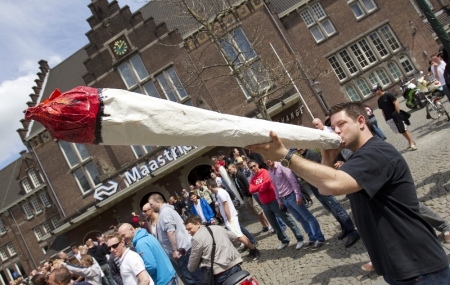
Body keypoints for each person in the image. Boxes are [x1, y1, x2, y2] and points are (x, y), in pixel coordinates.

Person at [247, 102, 449, 283]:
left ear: (361, 121)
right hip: (395, 265)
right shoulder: (356, 158)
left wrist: (285, 155)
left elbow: (333, 184)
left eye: (341, 124)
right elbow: (325, 189)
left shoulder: (376, 153)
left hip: (419, 267)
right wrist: (327, 157)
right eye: (333, 127)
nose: (335, 131)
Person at [296, 149, 360, 248]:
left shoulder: (311, 154)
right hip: (316, 188)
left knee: (337, 208)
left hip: (322, 186)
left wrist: (302, 173)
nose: (298, 149)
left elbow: (311, 173)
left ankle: (352, 231)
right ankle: (345, 228)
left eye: (299, 147)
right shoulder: (305, 156)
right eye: (296, 148)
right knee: (332, 209)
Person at [248, 160, 308, 250]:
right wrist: (260, 186)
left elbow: (267, 185)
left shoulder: (265, 172)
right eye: (251, 167)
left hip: (274, 201)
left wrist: (259, 188)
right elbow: (251, 190)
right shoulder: (253, 179)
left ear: (257, 165)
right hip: (264, 204)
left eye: (254, 165)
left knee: (287, 219)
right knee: (274, 224)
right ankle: (284, 240)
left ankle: (300, 238)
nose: (253, 168)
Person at [148, 193, 201, 285]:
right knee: (195, 276)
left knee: (193, 278)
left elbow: (171, 231)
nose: (151, 207)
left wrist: (174, 250)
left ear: (158, 202)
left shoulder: (165, 212)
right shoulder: (165, 212)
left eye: (151, 204)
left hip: (182, 252)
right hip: (183, 251)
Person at [206, 179, 260, 260]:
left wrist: (228, 219)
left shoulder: (220, 193)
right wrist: (220, 212)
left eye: (208, 188)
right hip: (229, 217)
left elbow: (226, 206)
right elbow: (223, 206)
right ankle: (251, 248)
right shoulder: (219, 193)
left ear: (210, 187)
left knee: (239, 236)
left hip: (230, 218)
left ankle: (254, 250)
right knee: (240, 234)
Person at [184, 215, 243, 285]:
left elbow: (192, 264)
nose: (188, 232)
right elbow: (235, 238)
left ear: (198, 224)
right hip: (234, 266)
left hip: (220, 274)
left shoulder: (197, 239)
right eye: (187, 230)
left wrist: (192, 267)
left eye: (190, 229)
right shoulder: (217, 227)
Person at [227, 163, 272, 232]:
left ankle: (269, 224)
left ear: (234, 167)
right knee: (255, 212)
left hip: (249, 195)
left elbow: (246, 184)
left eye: (230, 169)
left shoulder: (240, 174)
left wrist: (249, 194)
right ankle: (264, 225)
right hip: (244, 196)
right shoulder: (234, 177)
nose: (229, 171)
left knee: (259, 211)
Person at [374, 84, 417, 151]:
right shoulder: (379, 100)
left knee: (403, 129)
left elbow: (396, 102)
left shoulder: (388, 95)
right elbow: (382, 110)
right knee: (401, 130)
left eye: (375, 90)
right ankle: (411, 142)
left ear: (379, 89)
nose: (374, 92)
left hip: (395, 115)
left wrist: (397, 112)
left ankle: (412, 143)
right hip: (389, 118)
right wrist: (385, 118)